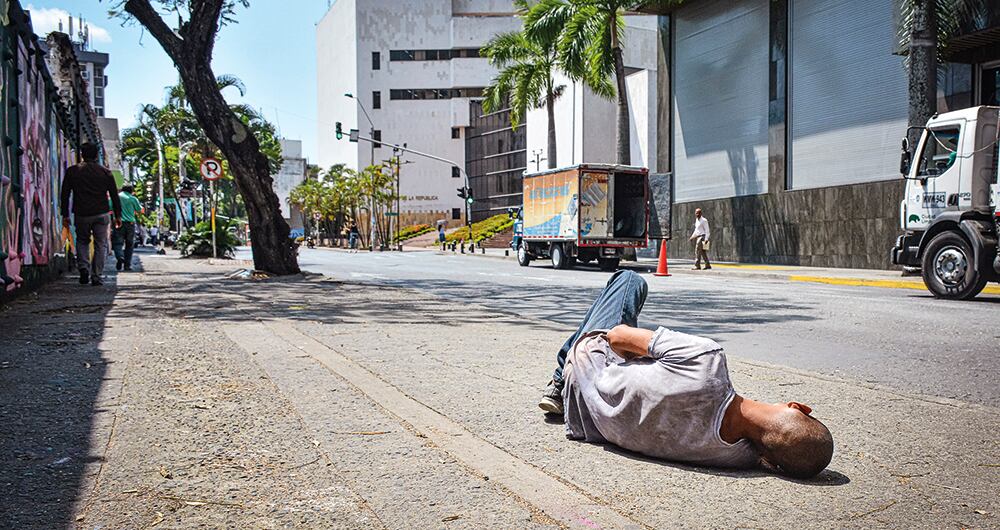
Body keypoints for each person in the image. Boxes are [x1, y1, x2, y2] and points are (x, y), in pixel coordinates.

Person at [538, 271, 834, 478]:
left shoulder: (707, 360)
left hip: (586, 373)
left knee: (629, 281)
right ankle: (562, 383)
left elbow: (616, 337)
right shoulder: (733, 459)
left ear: (799, 406)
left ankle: (558, 379)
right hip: (589, 420)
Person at [61, 143, 121, 286]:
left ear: (82, 154)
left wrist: (65, 214)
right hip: (101, 213)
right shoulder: (105, 172)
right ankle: (96, 276)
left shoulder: (73, 171)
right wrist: (118, 215)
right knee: (101, 244)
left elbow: (65, 194)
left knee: (82, 241)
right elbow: (114, 195)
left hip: (82, 213)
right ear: (96, 155)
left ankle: (83, 268)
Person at [112, 184, 143, 271]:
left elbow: (110, 207)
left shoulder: (116, 197)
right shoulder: (133, 198)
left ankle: (120, 257)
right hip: (130, 224)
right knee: (129, 244)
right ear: (131, 191)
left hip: (118, 222)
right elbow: (139, 210)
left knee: (117, 242)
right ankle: (127, 265)